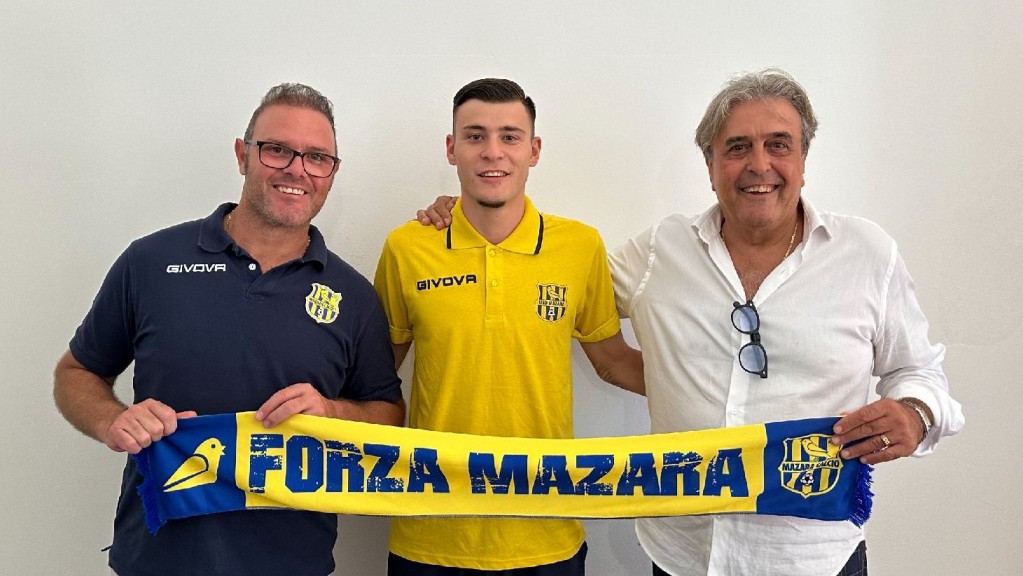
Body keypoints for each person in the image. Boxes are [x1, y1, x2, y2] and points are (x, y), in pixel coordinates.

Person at [417, 69, 964, 576]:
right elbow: (550, 277)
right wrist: (473, 211)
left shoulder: (867, 254)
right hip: (683, 552)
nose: (759, 165)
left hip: (815, 555)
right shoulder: (660, 252)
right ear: (709, 165)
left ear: (803, 158)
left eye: (779, 144)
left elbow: (919, 370)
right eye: (737, 147)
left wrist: (917, 414)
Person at [53, 83, 405, 576]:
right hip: (157, 559)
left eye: (317, 157)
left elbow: (388, 416)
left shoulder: (354, 297)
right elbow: (76, 372)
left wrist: (332, 412)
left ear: (332, 172)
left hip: (293, 563)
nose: (297, 169)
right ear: (243, 155)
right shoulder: (150, 262)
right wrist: (112, 420)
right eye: (277, 149)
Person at [374, 78, 643, 576]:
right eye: (475, 136)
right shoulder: (406, 248)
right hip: (430, 535)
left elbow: (614, 364)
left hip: (546, 533)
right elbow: (373, 380)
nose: (492, 152)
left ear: (533, 150)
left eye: (510, 137)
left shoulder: (580, 247)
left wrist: (721, 393)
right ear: (452, 149)